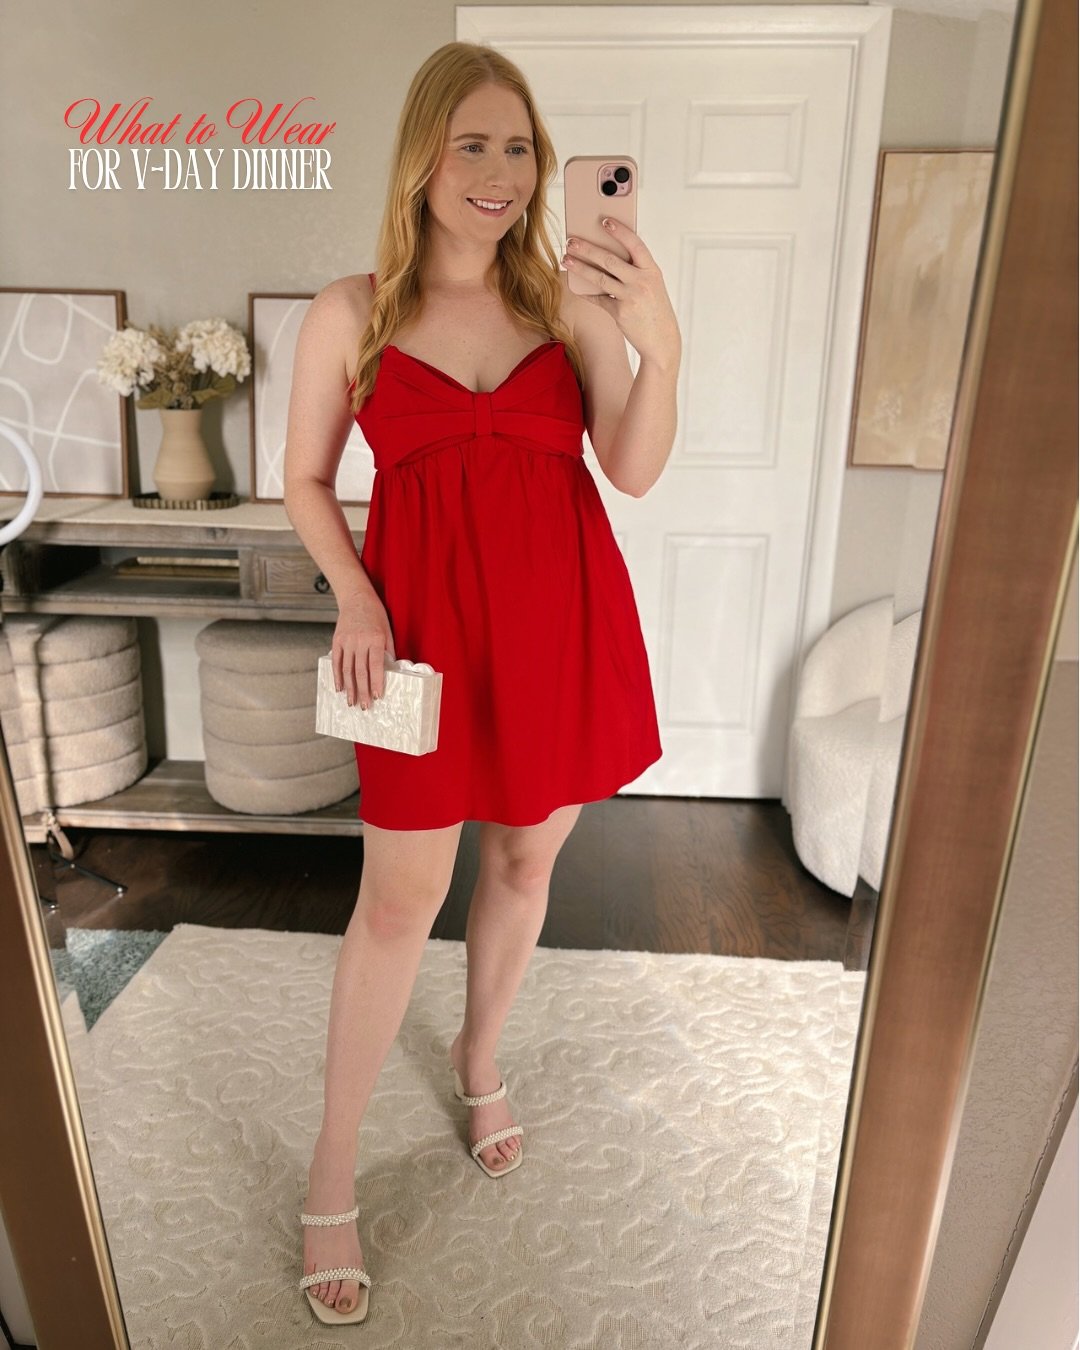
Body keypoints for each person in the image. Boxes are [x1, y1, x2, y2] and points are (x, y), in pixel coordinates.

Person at [282, 39, 680, 1324]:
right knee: (398, 902)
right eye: (473, 144)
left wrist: (659, 347)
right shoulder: (352, 312)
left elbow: (632, 470)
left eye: (520, 147)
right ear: (423, 157)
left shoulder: (568, 303)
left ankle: (478, 1054)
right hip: (412, 641)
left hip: (560, 631)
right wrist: (354, 594)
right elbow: (304, 481)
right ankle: (332, 1164)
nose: (500, 171)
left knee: (521, 864)